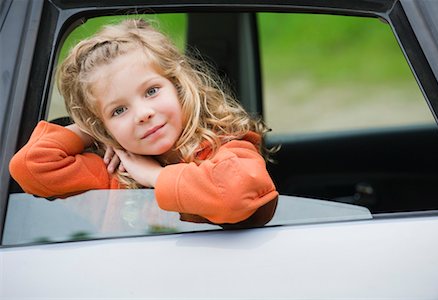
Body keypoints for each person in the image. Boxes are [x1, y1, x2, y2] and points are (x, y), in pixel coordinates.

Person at [9, 19, 278, 228]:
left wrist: (154, 176)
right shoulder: (116, 174)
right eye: (119, 110)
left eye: (151, 91)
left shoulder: (227, 150)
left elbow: (234, 193)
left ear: (179, 87)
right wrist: (93, 131)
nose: (142, 114)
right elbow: (31, 166)